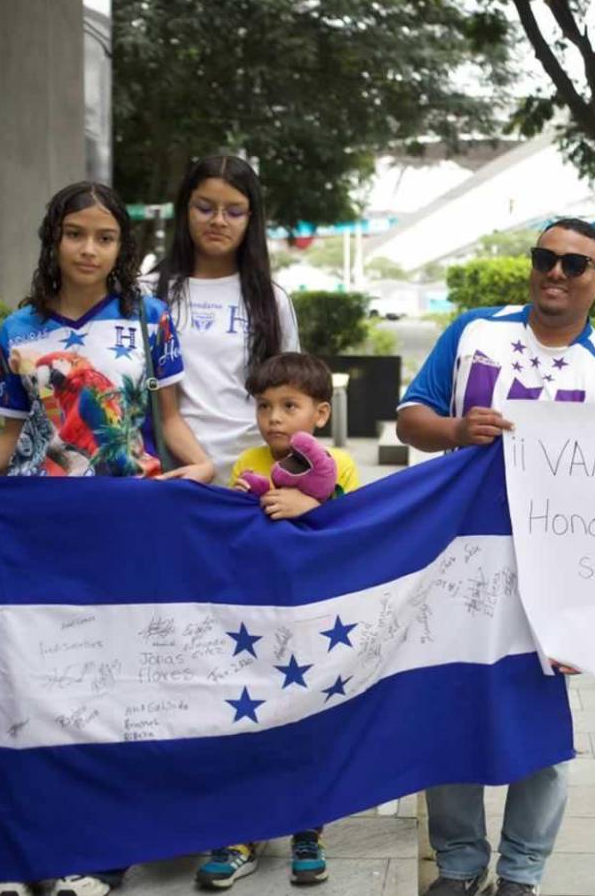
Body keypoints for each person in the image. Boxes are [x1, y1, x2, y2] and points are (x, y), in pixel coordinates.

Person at [0, 181, 213, 896]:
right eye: (75, 234)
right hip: (41, 530)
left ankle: (103, 853)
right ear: (52, 239)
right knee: (36, 684)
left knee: (115, 683)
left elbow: (171, 423)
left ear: (122, 247)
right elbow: (10, 435)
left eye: (104, 236)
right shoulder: (17, 332)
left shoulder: (147, 320)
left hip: (129, 525)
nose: (88, 249)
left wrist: (202, 465)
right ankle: (30, 849)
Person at [396, 218, 595, 896]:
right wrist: (453, 429)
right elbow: (410, 417)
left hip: (551, 575)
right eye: (545, 258)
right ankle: (458, 864)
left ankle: (522, 873)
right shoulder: (476, 332)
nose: (556, 273)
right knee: (447, 706)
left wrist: (592, 606)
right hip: (455, 557)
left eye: (575, 263)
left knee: (540, 723)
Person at [194, 354, 358, 890]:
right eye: (265, 406)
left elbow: (352, 535)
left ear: (321, 414)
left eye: (290, 405)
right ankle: (242, 829)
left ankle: (307, 827)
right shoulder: (248, 461)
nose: (275, 418)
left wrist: (309, 507)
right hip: (257, 621)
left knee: (308, 722)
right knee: (249, 719)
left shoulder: (342, 465)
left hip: (316, 623)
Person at [150, 154, 300, 485]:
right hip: (172, 474)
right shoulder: (146, 295)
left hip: (255, 480)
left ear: (251, 218)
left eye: (233, 212)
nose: (218, 221)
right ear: (185, 209)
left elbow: (294, 397)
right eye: (205, 208)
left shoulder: (272, 300)